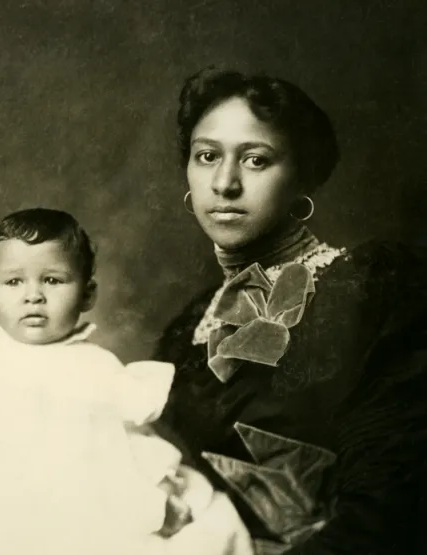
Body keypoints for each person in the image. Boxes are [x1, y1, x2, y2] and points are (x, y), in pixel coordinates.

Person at [0, 208, 252, 555]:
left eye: (53, 280)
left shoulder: (98, 367)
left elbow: (134, 440)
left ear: (87, 294)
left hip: (82, 499)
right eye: (13, 282)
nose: (33, 296)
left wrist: (157, 488)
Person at [152, 67, 427, 554]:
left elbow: (396, 500)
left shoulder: (369, 288)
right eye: (207, 156)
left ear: (302, 177)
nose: (224, 182)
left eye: (256, 160)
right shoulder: (187, 332)